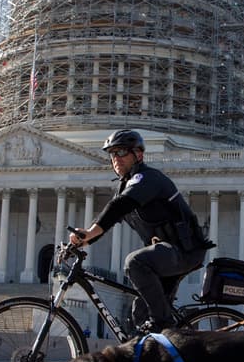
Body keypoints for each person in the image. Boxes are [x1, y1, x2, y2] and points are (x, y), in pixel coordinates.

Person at [70, 129, 213, 334]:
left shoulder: (148, 178)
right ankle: (163, 353)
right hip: (168, 253)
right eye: (112, 154)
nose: (115, 159)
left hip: (183, 251)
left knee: (135, 262)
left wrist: (90, 232)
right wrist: (83, 240)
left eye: (121, 152)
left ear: (138, 154)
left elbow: (119, 206)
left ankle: (164, 324)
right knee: (140, 312)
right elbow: (111, 217)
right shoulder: (126, 186)